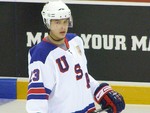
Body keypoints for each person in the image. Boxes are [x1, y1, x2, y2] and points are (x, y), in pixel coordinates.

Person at [26, 0, 125, 113]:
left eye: (65, 21)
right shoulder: (41, 55)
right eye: (57, 22)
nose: (63, 27)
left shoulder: (75, 41)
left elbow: (81, 75)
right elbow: (36, 99)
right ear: (48, 23)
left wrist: (101, 92)